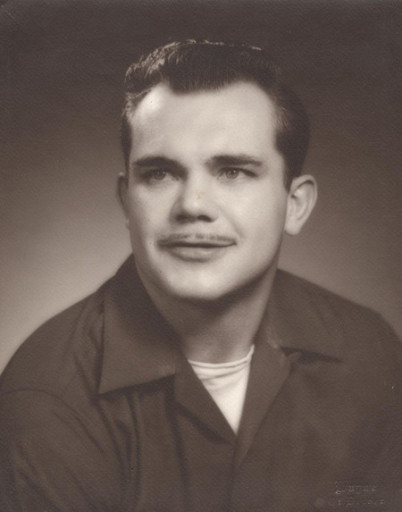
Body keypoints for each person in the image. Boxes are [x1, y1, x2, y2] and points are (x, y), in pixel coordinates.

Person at [0, 40, 401, 512]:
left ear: (295, 206)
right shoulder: (46, 400)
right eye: (160, 173)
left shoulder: (369, 352)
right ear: (127, 202)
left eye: (232, 171)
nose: (192, 205)